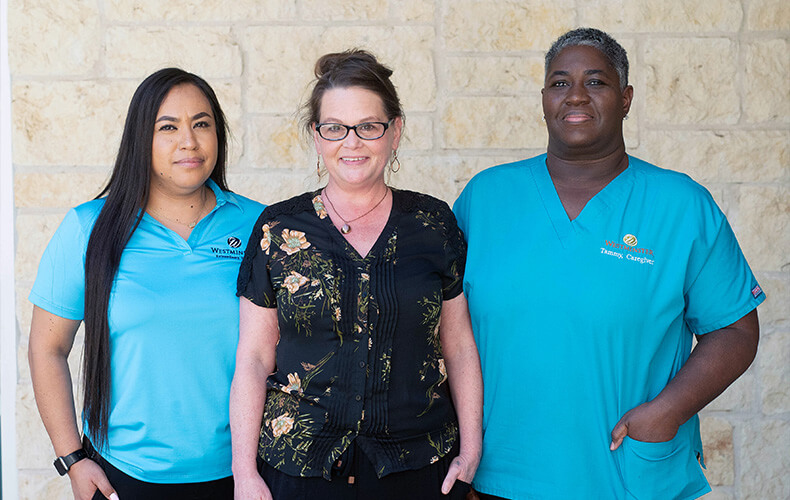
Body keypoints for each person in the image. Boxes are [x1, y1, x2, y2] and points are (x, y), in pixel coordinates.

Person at [453, 28, 764, 500]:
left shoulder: (681, 206)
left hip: (626, 476)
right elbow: (442, 325)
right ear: (543, 99)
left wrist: (667, 412)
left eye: (596, 82)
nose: (575, 95)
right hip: (501, 475)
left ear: (626, 98)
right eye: (560, 83)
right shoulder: (486, 198)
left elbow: (735, 331)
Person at [231, 49, 482, 500]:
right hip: (299, 469)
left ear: (395, 131)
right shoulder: (278, 228)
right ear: (317, 135)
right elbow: (253, 357)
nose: (352, 143)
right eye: (335, 128)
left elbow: (459, 343)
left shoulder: (433, 224)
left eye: (369, 126)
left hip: (417, 467)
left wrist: (472, 448)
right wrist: (244, 473)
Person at [28, 68, 264, 500]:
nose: (188, 141)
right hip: (125, 475)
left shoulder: (260, 226)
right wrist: (73, 460)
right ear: (141, 139)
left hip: (245, 474)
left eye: (202, 124)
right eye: (168, 127)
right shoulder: (89, 228)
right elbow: (48, 348)